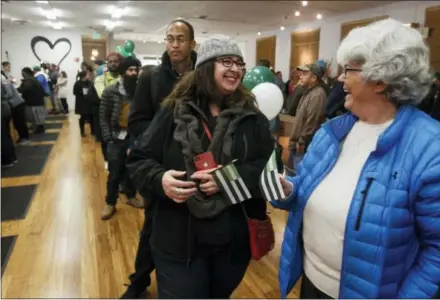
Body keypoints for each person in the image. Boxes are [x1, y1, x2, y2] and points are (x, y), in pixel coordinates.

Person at [272, 18, 440, 299]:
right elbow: (306, 188)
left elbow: (436, 251)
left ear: (381, 79)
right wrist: (290, 189)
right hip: (312, 284)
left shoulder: (429, 148)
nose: (339, 79)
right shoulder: (332, 132)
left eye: (348, 70)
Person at [127, 34, 273, 299]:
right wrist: (160, 179)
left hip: (232, 242)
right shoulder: (172, 111)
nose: (236, 69)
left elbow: (270, 169)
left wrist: (228, 178)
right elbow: (138, 159)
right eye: (226, 61)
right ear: (205, 68)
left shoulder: (252, 118)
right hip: (177, 241)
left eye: (239, 63)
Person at [122, 18, 197, 299]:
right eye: (170, 38)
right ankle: (139, 281)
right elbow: (137, 120)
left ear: (191, 43)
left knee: (193, 224)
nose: (174, 44)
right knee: (153, 226)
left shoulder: (203, 74)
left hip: (195, 167)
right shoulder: (151, 77)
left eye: (180, 38)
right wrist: (158, 145)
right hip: (159, 168)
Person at [99, 57, 144, 220]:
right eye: (130, 70)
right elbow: (103, 116)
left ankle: (131, 196)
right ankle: (110, 202)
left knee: (132, 170)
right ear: (123, 71)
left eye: (135, 70)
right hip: (116, 137)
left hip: (135, 137)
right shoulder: (110, 91)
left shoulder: (140, 90)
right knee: (115, 171)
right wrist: (108, 138)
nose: (133, 73)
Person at [94, 52, 123, 167]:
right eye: (110, 62)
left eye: (116, 61)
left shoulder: (124, 77)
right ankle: (107, 160)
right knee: (106, 138)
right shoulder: (100, 79)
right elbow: (103, 94)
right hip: (105, 113)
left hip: (121, 114)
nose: (113, 64)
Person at [1, 73, 30, 144]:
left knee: (20, 122)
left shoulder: (5, 83)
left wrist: (2, 97)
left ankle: (25, 138)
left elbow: (9, 94)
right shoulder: (4, 83)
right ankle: (22, 137)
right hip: (13, 105)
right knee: (17, 123)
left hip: (17, 104)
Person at [17, 67, 47, 134]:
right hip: (38, 100)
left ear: (24, 73)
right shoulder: (33, 79)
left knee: (35, 116)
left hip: (33, 101)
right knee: (38, 116)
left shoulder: (29, 80)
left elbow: (25, 89)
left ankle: (39, 128)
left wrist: (17, 90)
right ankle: (39, 127)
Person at [73, 71, 94, 137]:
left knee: (91, 117)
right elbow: (74, 92)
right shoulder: (77, 83)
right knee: (83, 117)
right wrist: (82, 92)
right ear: (84, 76)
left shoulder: (89, 82)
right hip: (81, 103)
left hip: (89, 102)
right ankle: (82, 132)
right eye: (88, 74)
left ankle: (93, 132)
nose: (89, 75)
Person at [1, 81, 17, 167]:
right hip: (6, 109)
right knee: (6, 135)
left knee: (3, 137)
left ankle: (7, 160)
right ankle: (12, 157)